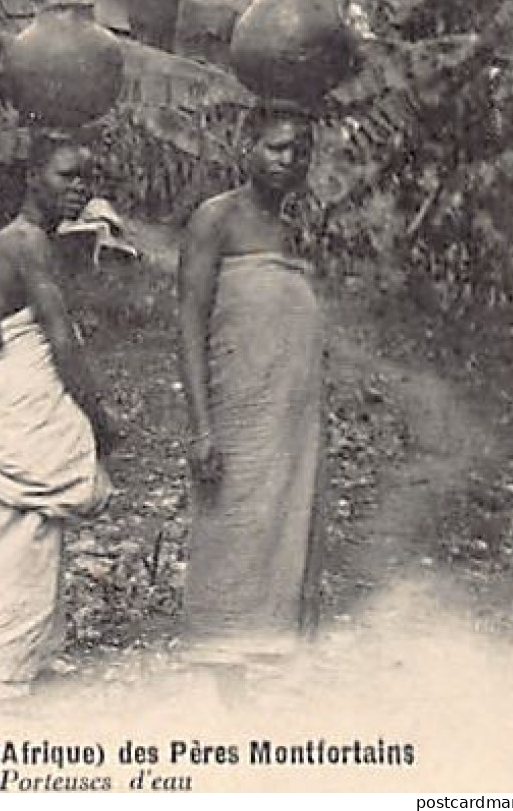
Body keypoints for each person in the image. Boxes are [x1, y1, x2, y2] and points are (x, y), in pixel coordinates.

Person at [0, 135, 116, 701]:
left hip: (22, 405)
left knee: (23, 542)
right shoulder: (25, 241)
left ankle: (3, 673)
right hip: (25, 407)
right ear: (33, 176)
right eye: (67, 176)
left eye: (85, 178)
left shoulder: (35, 241)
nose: (79, 188)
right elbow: (59, 340)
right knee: (10, 541)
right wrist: (99, 417)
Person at [177, 105, 326, 680]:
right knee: (231, 531)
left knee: (284, 532)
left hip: (291, 420)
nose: (289, 161)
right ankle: (220, 680)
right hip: (237, 414)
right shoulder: (217, 219)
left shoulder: (292, 228)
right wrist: (202, 428)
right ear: (249, 144)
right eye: (277, 147)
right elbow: (190, 321)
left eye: (301, 151)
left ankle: (266, 665)